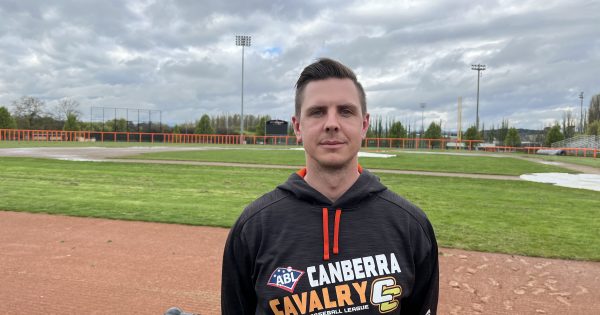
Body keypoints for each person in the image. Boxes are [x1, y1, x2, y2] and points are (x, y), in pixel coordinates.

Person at [221, 58, 438, 315]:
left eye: (346, 111)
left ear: (364, 125)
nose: (332, 123)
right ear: (298, 127)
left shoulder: (410, 226)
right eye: (317, 111)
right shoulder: (254, 227)